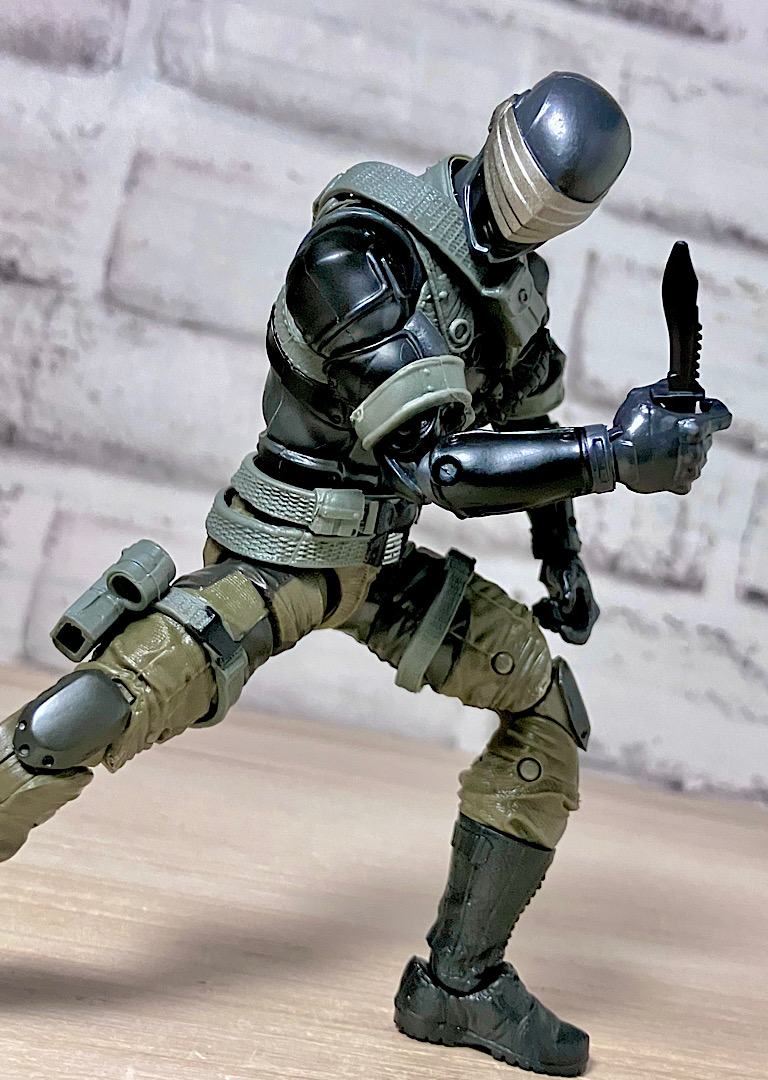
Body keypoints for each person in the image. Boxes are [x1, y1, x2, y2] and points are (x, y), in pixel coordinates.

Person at [0, 72, 730, 1076]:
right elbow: (440, 466)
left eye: (566, 203)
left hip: (383, 567)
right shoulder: (356, 254)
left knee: (546, 709)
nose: (538, 208)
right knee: (88, 713)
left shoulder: (512, 289)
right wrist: (613, 458)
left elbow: (528, 422)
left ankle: (458, 985)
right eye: (536, 177)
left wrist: (561, 555)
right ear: (499, 131)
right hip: (284, 550)